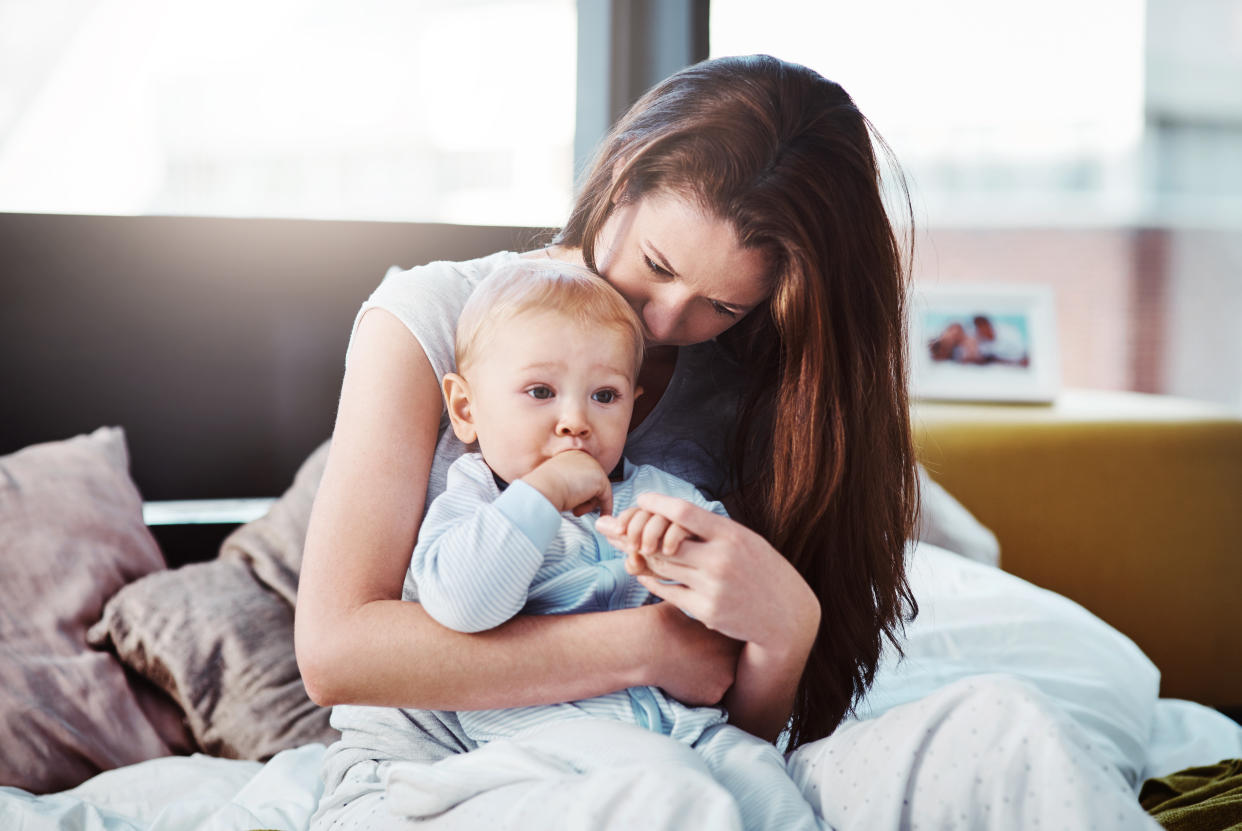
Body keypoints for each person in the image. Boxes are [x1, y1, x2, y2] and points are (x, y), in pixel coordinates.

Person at [298, 54, 1160, 829]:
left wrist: (784, 631)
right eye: (659, 265)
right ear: (625, 180)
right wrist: (645, 648)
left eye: (725, 306)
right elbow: (335, 655)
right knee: (668, 804)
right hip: (445, 772)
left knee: (1001, 733)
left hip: (691, 754)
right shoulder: (432, 318)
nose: (666, 322)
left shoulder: (761, 385)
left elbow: (737, 722)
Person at [390, 259, 819, 829]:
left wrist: (680, 557)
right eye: (541, 391)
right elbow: (463, 606)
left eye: (605, 396)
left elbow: (727, 614)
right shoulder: (473, 505)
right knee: (668, 785)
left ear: (632, 407)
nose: (575, 420)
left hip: (685, 729)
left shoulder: (660, 495)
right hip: (551, 743)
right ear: (466, 410)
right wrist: (542, 495)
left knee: (764, 779)